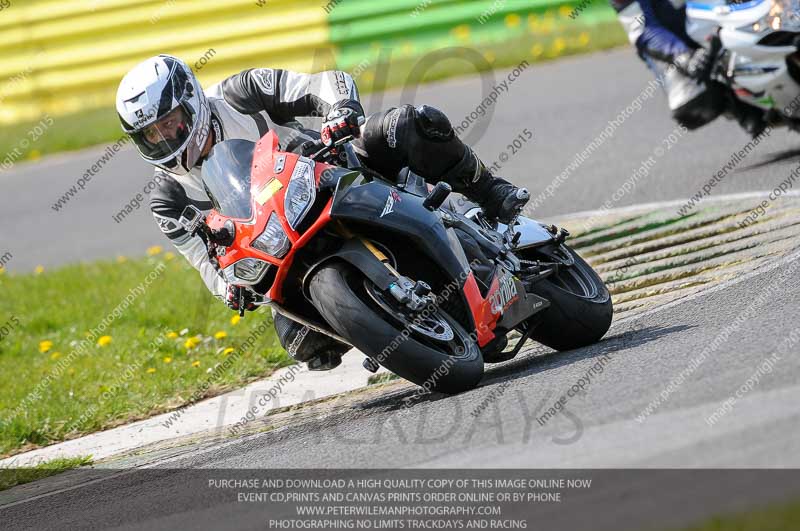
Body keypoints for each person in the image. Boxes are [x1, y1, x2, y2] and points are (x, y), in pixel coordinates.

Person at [115, 54, 529, 370]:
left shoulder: (239, 94)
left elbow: (323, 82)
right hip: (281, 246)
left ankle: (492, 194)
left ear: (191, 101)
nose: (164, 137)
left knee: (409, 124)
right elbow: (204, 262)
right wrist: (229, 288)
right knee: (300, 340)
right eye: (150, 135)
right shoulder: (168, 198)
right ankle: (391, 329)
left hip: (338, 172)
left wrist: (340, 110)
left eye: (170, 123)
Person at [611, 0, 767, 135]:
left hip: (729, 16)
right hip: (687, 55)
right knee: (693, 98)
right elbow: (644, 30)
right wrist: (684, 57)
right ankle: (740, 103)